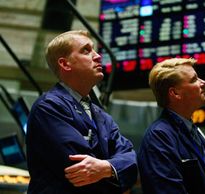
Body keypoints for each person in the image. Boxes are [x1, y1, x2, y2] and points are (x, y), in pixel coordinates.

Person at [26, 30, 138, 194]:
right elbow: (80, 174)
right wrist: (117, 172)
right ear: (65, 64)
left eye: (94, 49)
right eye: (86, 50)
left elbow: (132, 161)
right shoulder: (49, 107)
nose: (98, 56)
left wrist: (106, 167)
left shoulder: (100, 114)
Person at [137, 58, 205, 194]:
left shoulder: (193, 131)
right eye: (194, 80)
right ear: (175, 93)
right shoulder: (159, 137)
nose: (203, 83)